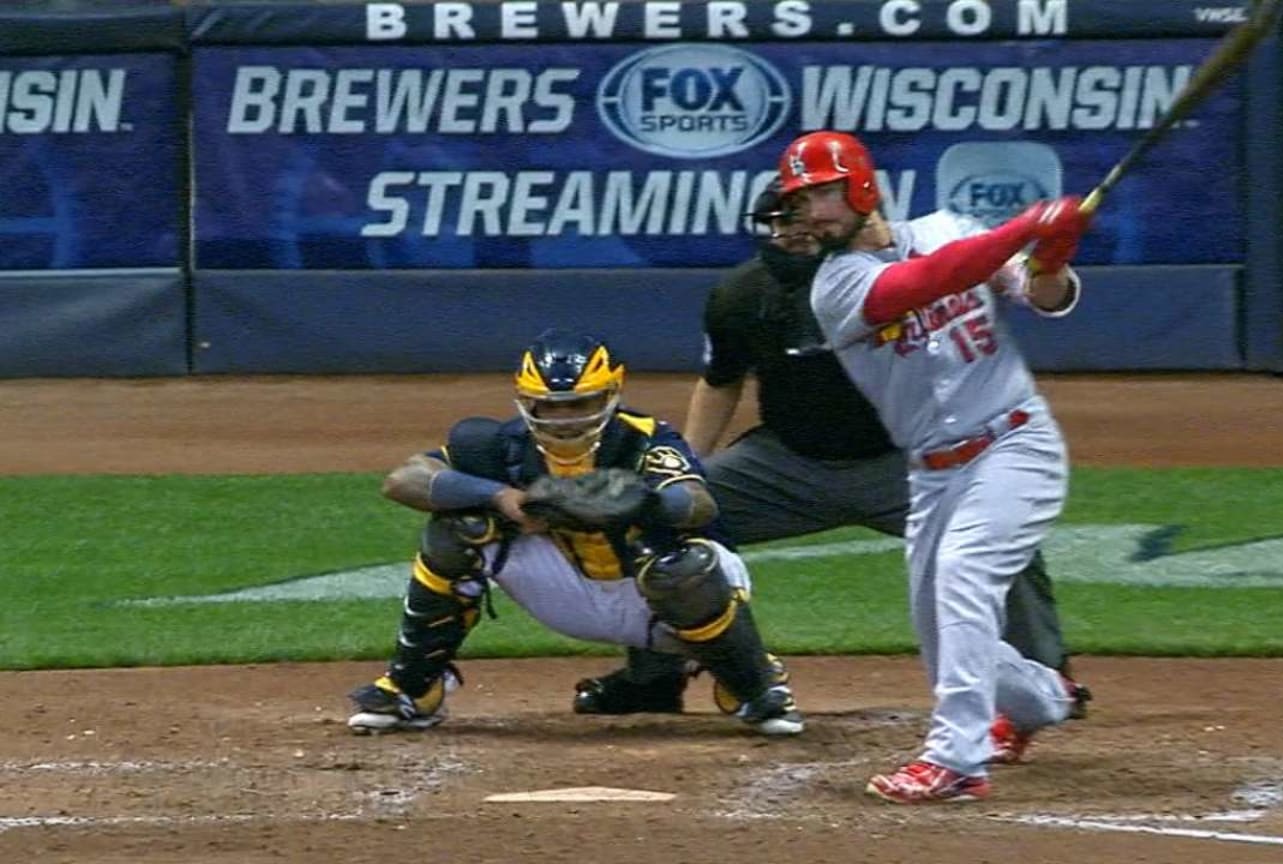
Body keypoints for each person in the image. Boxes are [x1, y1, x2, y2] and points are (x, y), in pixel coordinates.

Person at [571, 182, 1090, 745]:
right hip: (786, 465)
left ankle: (1045, 676)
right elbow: (720, 383)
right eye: (782, 220)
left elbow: (1009, 286)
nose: (794, 231)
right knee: (659, 516)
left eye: (804, 216)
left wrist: (1042, 254)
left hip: (907, 465)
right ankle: (656, 675)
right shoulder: (742, 295)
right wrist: (683, 472)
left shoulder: (883, 272)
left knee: (994, 535)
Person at [776, 130, 1091, 803]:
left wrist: (1055, 251)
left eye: (824, 193)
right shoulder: (836, 285)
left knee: (964, 573)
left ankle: (956, 760)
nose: (813, 211)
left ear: (860, 187)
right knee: (944, 634)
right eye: (803, 199)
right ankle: (1041, 697)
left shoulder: (949, 227)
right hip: (932, 472)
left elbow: (1044, 296)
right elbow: (926, 280)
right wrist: (1025, 226)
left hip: (1014, 444)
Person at [346, 328, 803, 738]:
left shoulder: (645, 438)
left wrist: (642, 501)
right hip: (568, 592)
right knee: (458, 528)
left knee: (677, 569)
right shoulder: (500, 446)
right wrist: (502, 498)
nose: (564, 418)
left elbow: (699, 503)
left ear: (610, 394)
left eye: (578, 404)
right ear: (527, 402)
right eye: (550, 406)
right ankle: (413, 687)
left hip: (671, 593)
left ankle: (752, 682)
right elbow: (402, 480)